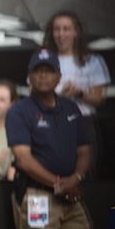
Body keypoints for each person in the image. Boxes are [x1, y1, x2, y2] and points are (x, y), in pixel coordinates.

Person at [6, 48, 91, 229]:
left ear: (59, 77)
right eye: (37, 70)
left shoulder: (71, 108)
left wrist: (76, 179)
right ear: (30, 76)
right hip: (38, 195)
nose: (43, 75)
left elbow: (84, 150)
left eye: (49, 70)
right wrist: (60, 185)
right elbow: (23, 160)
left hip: (71, 195)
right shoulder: (19, 111)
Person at [42, 10, 110, 175]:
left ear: (76, 32)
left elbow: (100, 99)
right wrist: (55, 97)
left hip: (83, 122)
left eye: (66, 29)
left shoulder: (92, 61)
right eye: (57, 29)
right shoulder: (43, 60)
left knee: (85, 173)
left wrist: (79, 93)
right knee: (51, 172)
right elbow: (33, 95)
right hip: (51, 121)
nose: (61, 34)